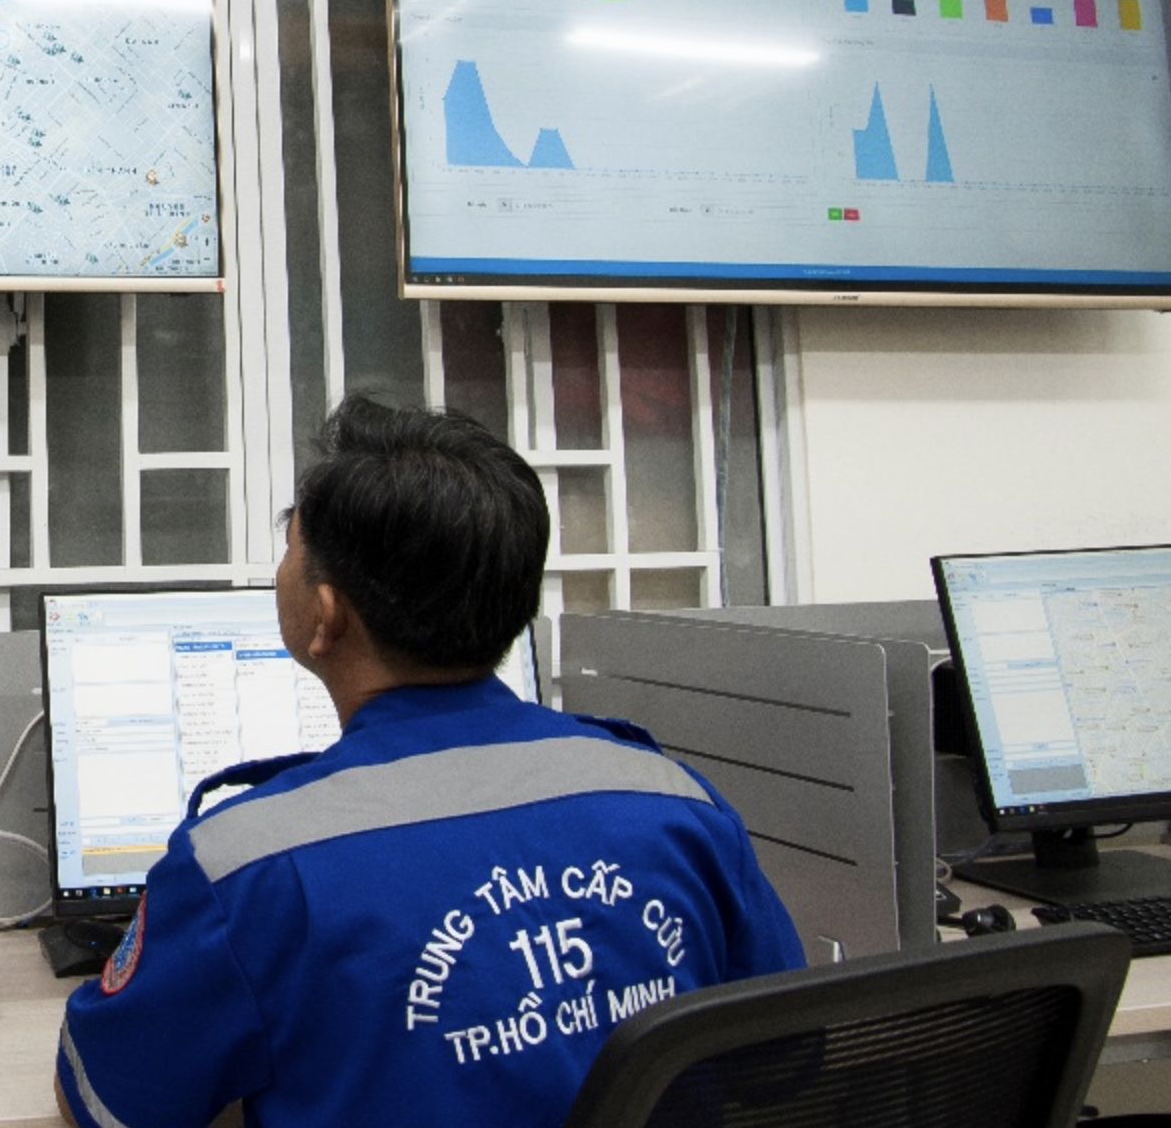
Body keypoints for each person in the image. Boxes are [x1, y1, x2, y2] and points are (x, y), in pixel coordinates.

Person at [54, 397, 804, 1128]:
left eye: (289, 550)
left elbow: (112, 1102)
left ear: (327, 614)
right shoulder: (677, 802)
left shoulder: (246, 866)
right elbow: (785, 1062)